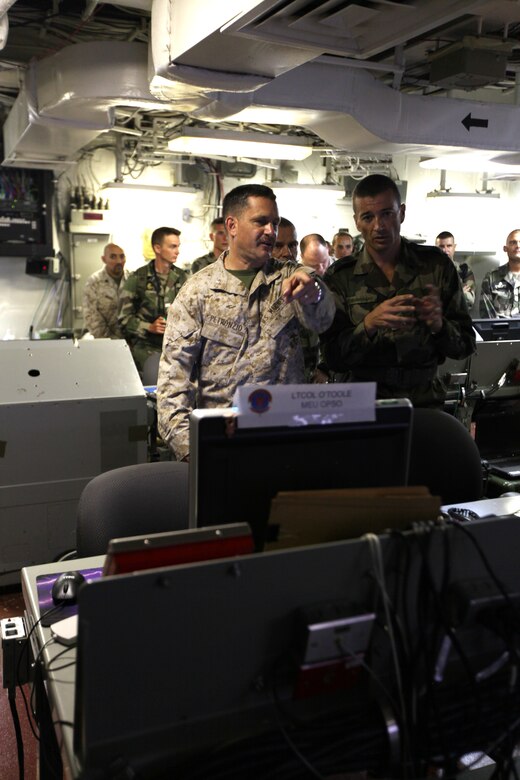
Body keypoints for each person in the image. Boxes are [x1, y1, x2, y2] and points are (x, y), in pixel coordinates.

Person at [157, 184, 335, 460]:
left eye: (274, 223)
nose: (270, 231)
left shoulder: (289, 278)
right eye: (260, 222)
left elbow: (322, 318)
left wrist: (314, 293)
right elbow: (172, 385)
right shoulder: (198, 291)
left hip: (287, 441)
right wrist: (193, 452)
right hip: (224, 446)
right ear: (232, 225)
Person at [322, 174, 475, 407]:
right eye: (368, 217)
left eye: (387, 214)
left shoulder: (435, 265)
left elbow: (465, 345)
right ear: (357, 221)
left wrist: (439, 326)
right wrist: (369, 325)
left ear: (401, 213)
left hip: (423, 401)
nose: (378, 226)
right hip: (363, 403)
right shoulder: (341, 276)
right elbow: (333, 357)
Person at [118, 227, 187, 373]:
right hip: (146, 349)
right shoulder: (138, 279)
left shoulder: (184, 278)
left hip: (177, 349)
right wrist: (148, 327)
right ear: (157, 248)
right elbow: (123, 319)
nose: (177, 251)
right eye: (172, 246)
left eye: (178, 246)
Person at [82, 243, 128, 338]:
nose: (119, 261)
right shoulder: (94, 282)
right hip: (106, 340)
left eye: (122, 256)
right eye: (113, 257)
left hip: (133, 341)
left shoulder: (132, 279)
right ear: (104, 259)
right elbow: (91, 317)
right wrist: (111, 341)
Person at [480, 229, 520, 318]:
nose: (518, 246)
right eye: (513, 242)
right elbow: (487, 316)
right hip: (501, 330)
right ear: (505, 248)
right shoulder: (491, 277)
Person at [435, 231, 476, 309]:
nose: (445, 250)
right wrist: (459, 292)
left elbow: (470, 301)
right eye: (441, 246)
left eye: (449, 246)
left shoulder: (464, 270)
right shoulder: (429, 272)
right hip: (436, 319)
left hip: (458, 319)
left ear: (454, 247)